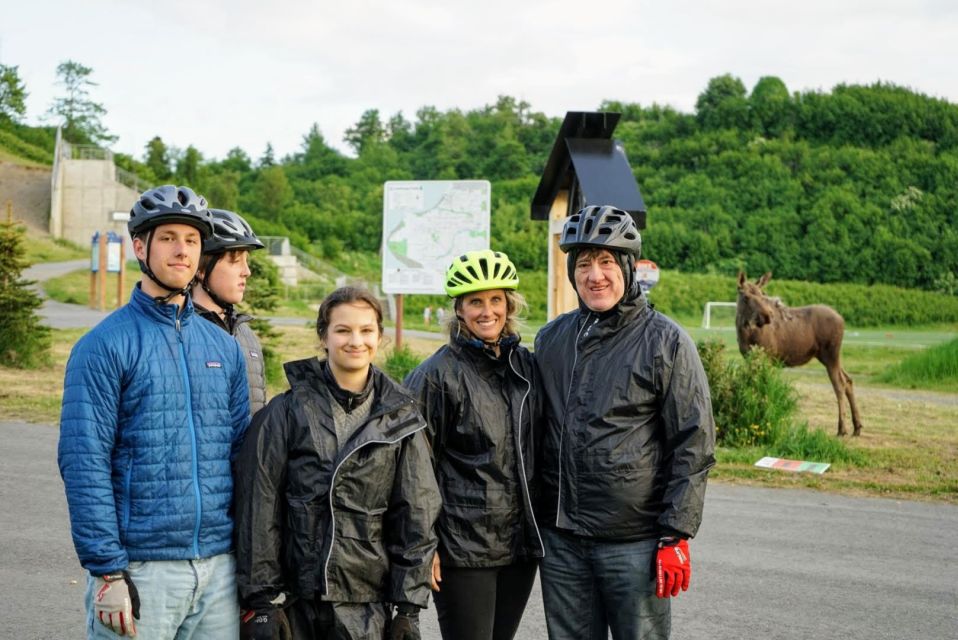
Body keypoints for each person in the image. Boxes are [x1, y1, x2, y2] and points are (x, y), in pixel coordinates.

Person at [58, 185, 251, 638]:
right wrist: (108, 571)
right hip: (141, 571)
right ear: (140, 246)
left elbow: (243, 458)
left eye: (191, 239)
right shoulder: (103, 346)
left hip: (219, 570)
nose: (181, 250)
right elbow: (84, 463)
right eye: (167, 238)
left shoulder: (225, 348)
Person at [533, 205, 716, 640]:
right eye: (584, 264)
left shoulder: (665, 341)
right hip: (561, 542)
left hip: (633, 542)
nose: (595, 275)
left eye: (607, 261)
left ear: (629, 267)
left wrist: (676, 535)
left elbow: (694, 444)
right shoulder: (551, 339)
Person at [234, 286, 441, 640]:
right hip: (294, 603)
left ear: (380, 337)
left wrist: (407, 608)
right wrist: (263, 602)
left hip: (366, 607)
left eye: (366, 330)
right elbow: (258, 508)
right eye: (343, 330)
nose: (355, 341)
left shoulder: (402, 419)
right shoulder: (285, 413)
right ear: (323, 336)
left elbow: (416, 513)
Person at [404, 249, 543, 640]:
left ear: (509, 304)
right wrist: (424, 544)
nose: (487, 311)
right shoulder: (435, 376)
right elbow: (414, 467)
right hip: (463, 549)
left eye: (495, 300)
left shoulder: (525, 367)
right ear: (459, 310)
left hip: (519, 547)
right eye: (475, 302)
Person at [192, 208, 268, 415]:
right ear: (200, 269)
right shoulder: (180, 334)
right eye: (235, 261)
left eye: (246, 260)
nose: (247, 271)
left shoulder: (247, 335)